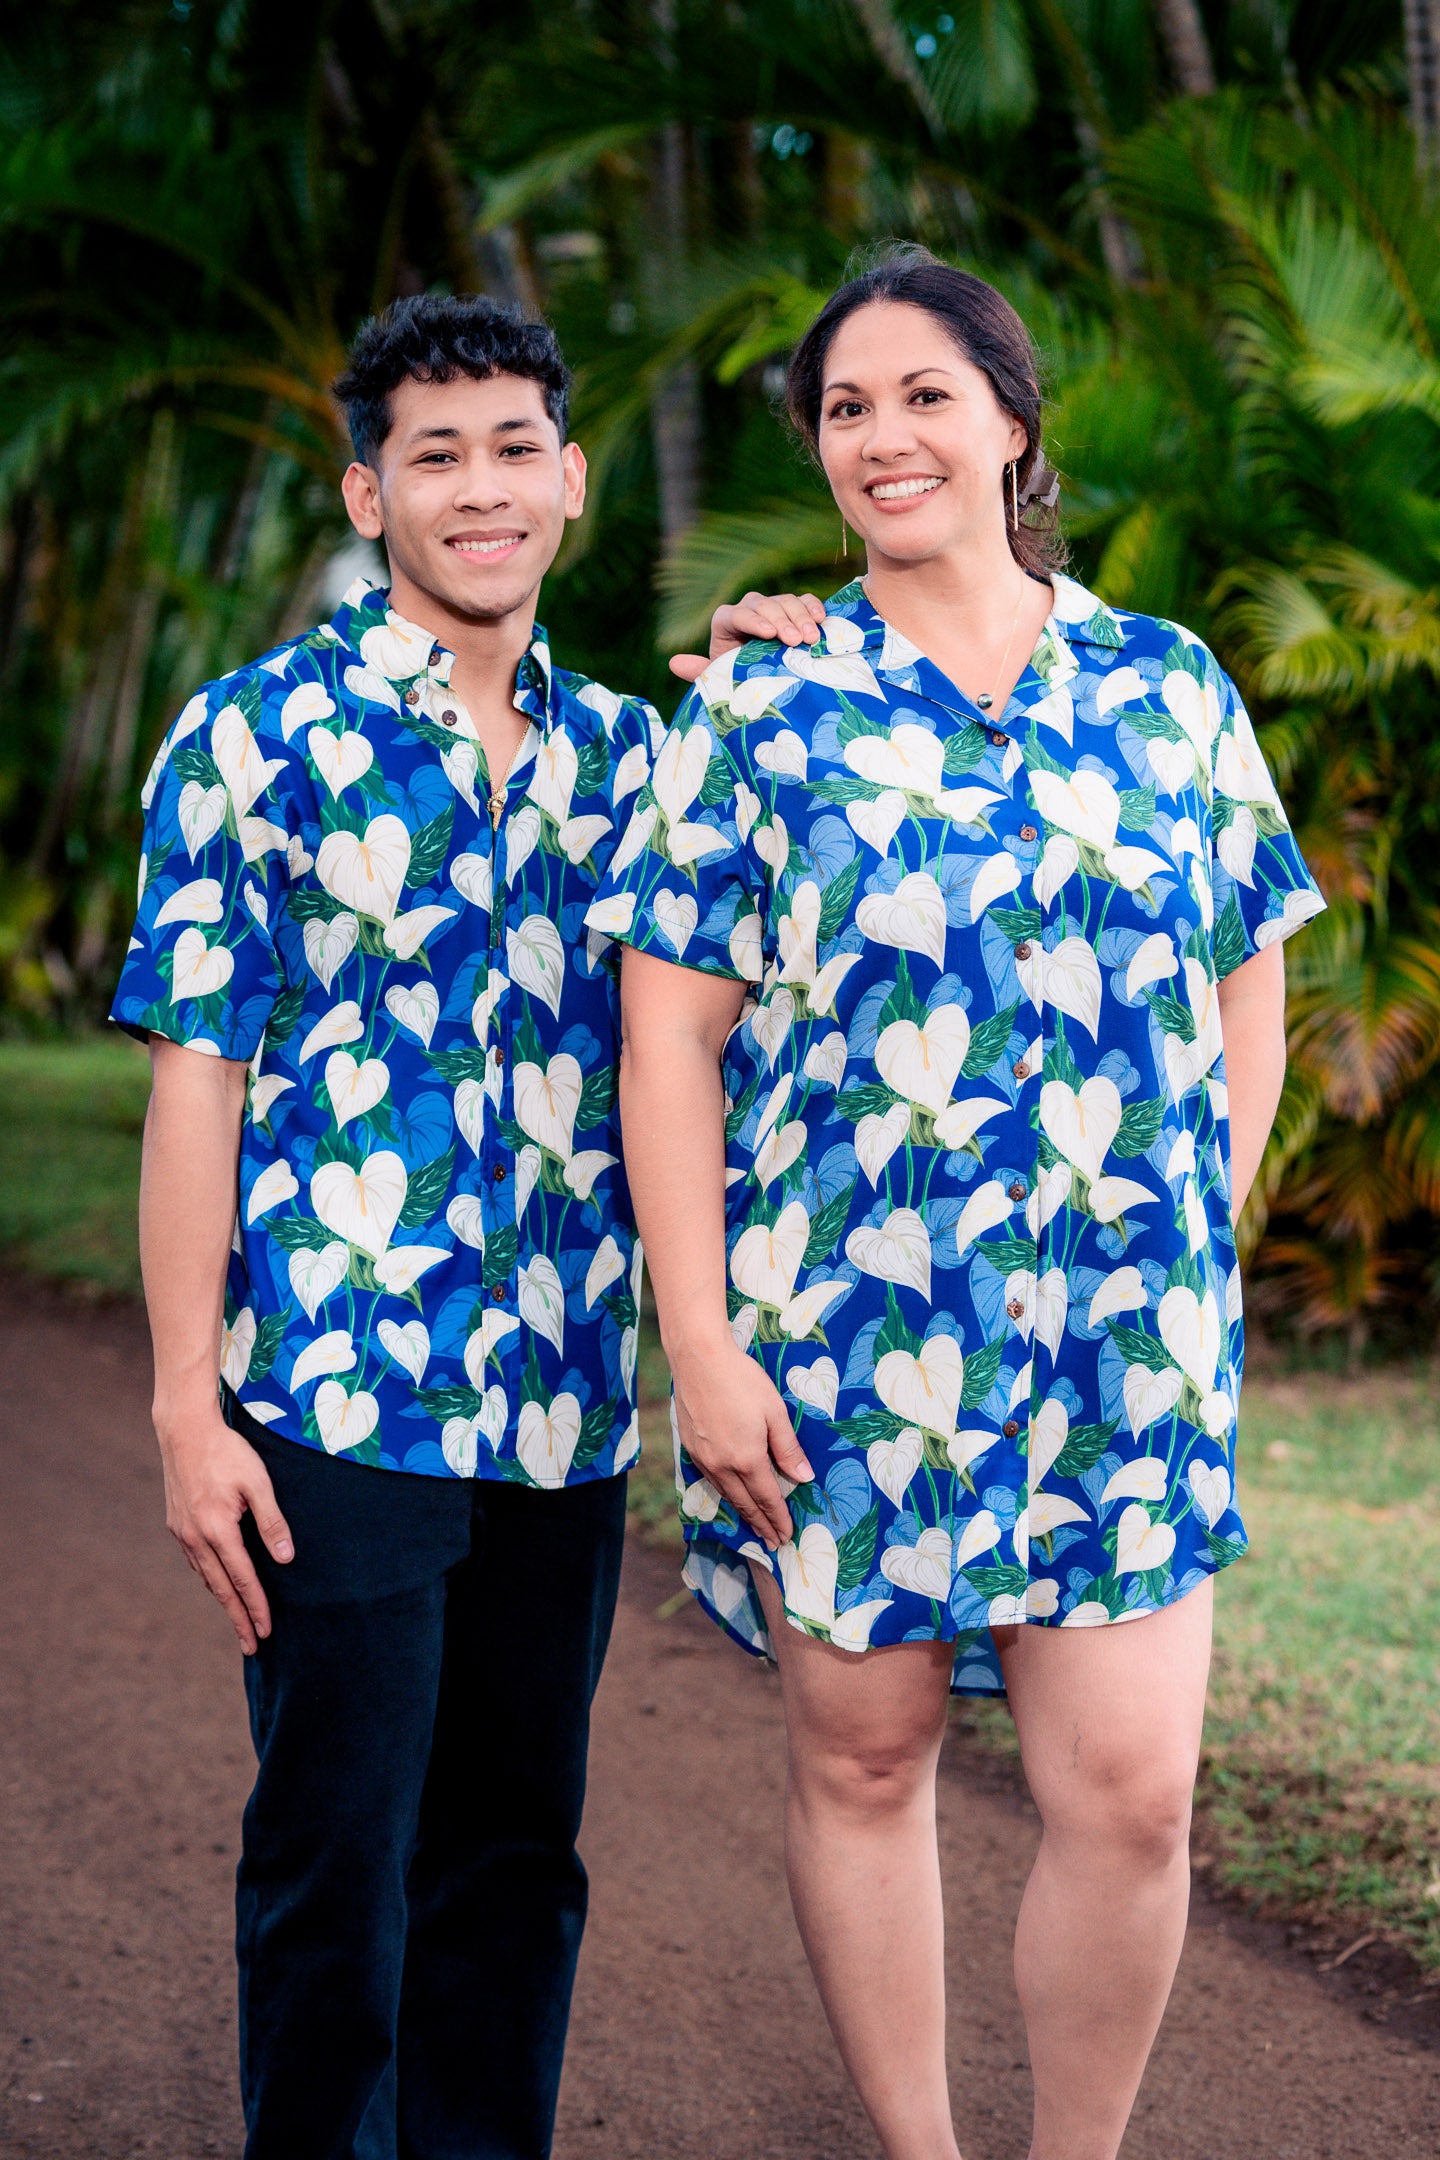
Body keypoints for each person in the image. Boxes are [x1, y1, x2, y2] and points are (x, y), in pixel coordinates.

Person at [588, 244, 1326, 2160]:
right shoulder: (761, 709)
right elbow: (666, 1043)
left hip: (1123, 1346)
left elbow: (1253, 967)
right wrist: (705, 1341)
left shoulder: (1168, 690)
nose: (885, 435)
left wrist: (1198, 1222)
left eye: (926, 394)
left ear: (1011, 424)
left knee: (1135, 1791)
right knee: (865, 1753)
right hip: (848, 1329)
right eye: (846, 408)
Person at [109, 291, 820, 2160]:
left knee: (517, 1846)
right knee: (339, 1843)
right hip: (341, 1391)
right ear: (368, 496)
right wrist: (191, 1403)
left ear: (571, 482)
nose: (479, 488)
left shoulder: (641, 759)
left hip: (568, 1401)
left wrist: (795, 663)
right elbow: (198, 1074)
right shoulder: (255, 737)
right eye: (435, 455)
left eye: (515, 448)